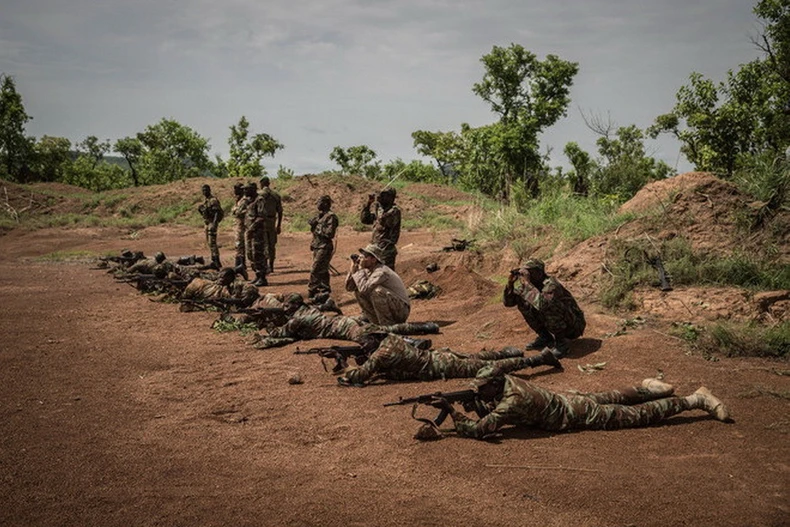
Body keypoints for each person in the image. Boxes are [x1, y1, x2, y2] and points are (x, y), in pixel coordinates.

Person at [424, 369, 731, 440]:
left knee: (637, 416)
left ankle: (696, 399)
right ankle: (646, 386)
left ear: (493, 384)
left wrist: (451, 413)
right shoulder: (509, 381)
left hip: (576, 414)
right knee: (614, 394)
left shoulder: (513, 400)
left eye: (482, 388)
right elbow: (491, 402)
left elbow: (481, 429)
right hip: (566, 399)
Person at [337, 333, 563, 386]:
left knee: (488, 368)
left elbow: (360, 377)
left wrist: (345, 368)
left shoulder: (381, 354)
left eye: (365, 343)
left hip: (440, 365)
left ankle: (538, 360)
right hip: (439, 356)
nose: (364, 347)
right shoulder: (390, 340)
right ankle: (506, 351)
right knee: (474, 357)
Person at [253, 293, 438, 349]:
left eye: (287, 307)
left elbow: (280, 333)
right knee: (384, 327)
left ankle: (413, 342)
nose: (285, 309)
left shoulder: (297, 321)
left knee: (375, 335)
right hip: (344, 320)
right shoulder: (308, 309)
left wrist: (266, 322)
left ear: (293, 307)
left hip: (342, 328)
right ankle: (426, 326)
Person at [504, 258, 585, 357]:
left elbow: (543, 305)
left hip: (574, 326)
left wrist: (527, 283)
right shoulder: (530, 286)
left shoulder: (551, 284)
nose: (527, 275)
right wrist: (510, 284)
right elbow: (508, 303)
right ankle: (545, 337)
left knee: (548, 307)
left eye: (530, 272)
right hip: (563, 322)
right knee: (522, 301)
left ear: (539, 272)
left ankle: (561, 344)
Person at [345, 243, 410, 325]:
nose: (361, 259)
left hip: (401, 310)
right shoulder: (367, 270)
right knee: (357, 292)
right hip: (392, 305)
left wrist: (360, 269)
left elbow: (364, 289)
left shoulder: (381, 271)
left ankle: (387, 325)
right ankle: (375, 323)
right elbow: (349, 288)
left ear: (374, 259)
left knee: (377, 291)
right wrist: (353, 271)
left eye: (365, 256)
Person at [180, 267, 259, 309]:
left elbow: (242, 302)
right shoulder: (227, 284)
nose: (220, 280)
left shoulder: (242, 286)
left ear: (230, 278)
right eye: (220, 277)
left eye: (222, 278)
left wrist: (222, 300)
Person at [360, 187, 400, 269]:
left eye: (383, 195)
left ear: (390, 198)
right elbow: (365, 219)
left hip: (386, 250)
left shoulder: (394, 211)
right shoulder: (380, 210)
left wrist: (377, 207)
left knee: (386, 274)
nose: (379, 197)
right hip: (375, 249)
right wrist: (368, 204)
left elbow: (384, 221)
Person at [307, 195, 339, 300]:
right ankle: (324, 292)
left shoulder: (331, 216)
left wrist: (316, 226)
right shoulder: (320, 216)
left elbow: (330, 234)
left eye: (319, 202)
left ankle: (312, 291)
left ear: (326, 204)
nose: (317, 204)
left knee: (315, 269)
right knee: (323, 270)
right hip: (318, 245)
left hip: (325, 246)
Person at [244, 183, 268, 286]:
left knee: (258, 254)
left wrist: (252, 228)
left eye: (247, 189)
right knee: (251, 254)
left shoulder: (259, 200)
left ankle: (262, 278)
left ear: (253, 190)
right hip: (250, 232)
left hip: (257, 232)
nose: (245, 192)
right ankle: (257, 275)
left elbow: (261, 217)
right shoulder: (249, 201)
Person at [258, 176, 283, 274]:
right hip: (272, 221)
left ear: (262, 184)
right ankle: (271, 266)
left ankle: (264, 266)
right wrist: (279, 225)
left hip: (262, 222)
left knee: (263, 244)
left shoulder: (259, 195)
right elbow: (280, 211)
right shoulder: (276, 195)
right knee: (272, 245)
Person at [198, 184, 224, 269]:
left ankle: (216, 260)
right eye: (203, 190)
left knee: (212, 243)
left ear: (209, 190)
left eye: (206, 190)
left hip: (212, 222)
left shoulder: (213, 200)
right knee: (209, 243)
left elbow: (216, 212)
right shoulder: (206, 200)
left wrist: (214, 223)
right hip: (207, 222)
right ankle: (214, 260)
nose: (204, 192)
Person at [230, 182, 250, 280]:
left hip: (242, 226)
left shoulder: (244, 200)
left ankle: (241, 265)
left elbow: (237, 212)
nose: (234, 191)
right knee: (238, 247)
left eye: (236, 189)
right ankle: (239, 265)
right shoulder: (238, 200)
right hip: (238, 225)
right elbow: (234, 211)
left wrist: (235, 210)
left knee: (240, 246)